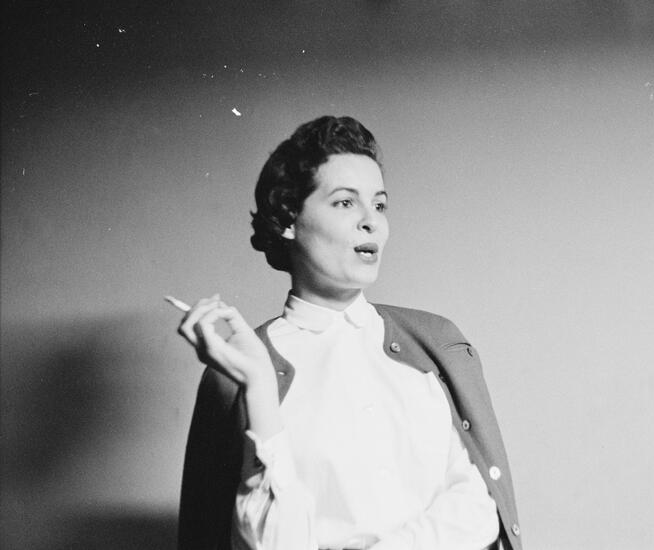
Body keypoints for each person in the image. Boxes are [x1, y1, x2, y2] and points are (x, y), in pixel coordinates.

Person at [176, 116, 522, 550]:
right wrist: (259, 386)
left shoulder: (437, 343)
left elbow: (479, 507)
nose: (371, 222)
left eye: (379, 205)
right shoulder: (241, 371)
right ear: (287, 219)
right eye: (344, 203)